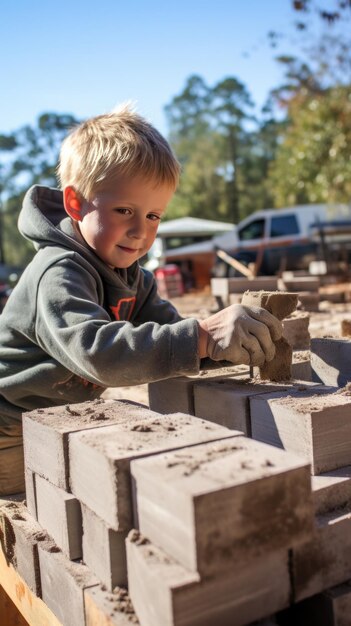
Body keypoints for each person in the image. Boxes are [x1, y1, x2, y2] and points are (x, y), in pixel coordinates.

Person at [0, 104, 282, 495]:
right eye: (124, 210)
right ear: (75, 203)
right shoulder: (58, 272)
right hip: (9, 427)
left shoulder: (135, 278)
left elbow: (172, 336)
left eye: (154, 216)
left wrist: (221, 343)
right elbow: (98, 354)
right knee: (32, 509)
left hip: (59, 415)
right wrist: (203, 334)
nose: (140, 231)